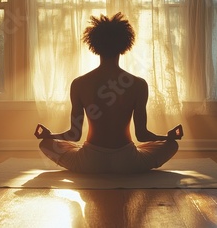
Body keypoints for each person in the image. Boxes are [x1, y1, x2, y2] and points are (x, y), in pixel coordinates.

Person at [36, 12, 180, 173]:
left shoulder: (79, 83)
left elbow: (74, 135)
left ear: (94, 44)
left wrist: (49, 136)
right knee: (172, 145)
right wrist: (168, 138)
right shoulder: (138, 84)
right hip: (128, 162)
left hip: (89, 162)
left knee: (45, 144)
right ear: (125, 43)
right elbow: (142, 135)